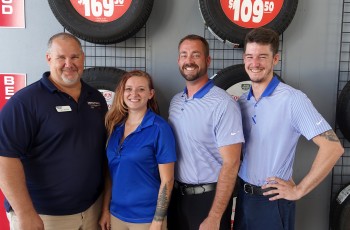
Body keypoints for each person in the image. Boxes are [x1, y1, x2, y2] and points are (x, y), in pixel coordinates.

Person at [234, 27, 344, 230]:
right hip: (243, 198)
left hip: (272, 202)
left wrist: (299, 190)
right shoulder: (242, 101)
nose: (255, 63)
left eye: (262, 57)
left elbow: (333, 148)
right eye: (250, 56)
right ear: (244, 59)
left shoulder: (293, 100)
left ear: (275, 59)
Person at [0, 33, 108, 230]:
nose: (69, 63)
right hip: (43, 216)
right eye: (61, 57)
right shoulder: (24, 102)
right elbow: (4, 157)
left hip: (91, 211)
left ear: (83, 58)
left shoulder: (96, 99)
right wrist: (25, 213)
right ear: (49, 58)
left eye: (75, 57)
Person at [167, 34, 245, 230]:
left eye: (195, 55)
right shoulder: (176, 101)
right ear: (178, 61)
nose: (189, 61)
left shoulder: (223, 104)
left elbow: (232, 162)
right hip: (178, 199)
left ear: (207, 60)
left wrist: (215, 216)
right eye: (184, 55)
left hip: (209, 200)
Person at [99, 70, 177, 230]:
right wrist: (105, 209)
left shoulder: (159, 128)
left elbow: (167, 180)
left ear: (150, 94)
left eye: (141, 89)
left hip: (146, 218)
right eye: (128, 89)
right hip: (116, 215)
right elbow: (111, 175)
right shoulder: (115, 127)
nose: (134, 94)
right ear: (122, 93)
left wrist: (157, 221)